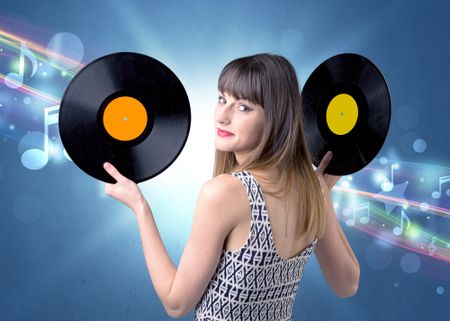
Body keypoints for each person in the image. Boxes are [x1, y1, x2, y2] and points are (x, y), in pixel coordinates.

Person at [102, 53, 360, 320]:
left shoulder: (224, 193)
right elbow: (346, 285)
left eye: (243, 107)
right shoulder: (312, 189)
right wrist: (322, 193)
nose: (222, 116)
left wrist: (140, 208)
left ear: (276, 117)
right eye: (222, 99)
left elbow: (176, 304)